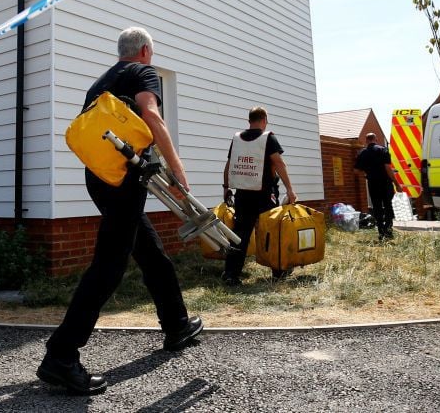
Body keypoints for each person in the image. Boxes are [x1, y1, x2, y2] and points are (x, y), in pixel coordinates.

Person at [38, 27, 203, 395]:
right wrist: (178, 171)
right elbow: (152, 116)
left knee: (149, 250)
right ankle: (61, 356)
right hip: (125, 179)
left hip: (99, 178)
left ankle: (176, 323)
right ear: (145, 51)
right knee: (109, 266)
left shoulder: (100, 83)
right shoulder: (142, 73)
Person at [221, 107, 298, 285]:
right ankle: (278, 272)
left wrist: (226, 188)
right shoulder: (268, 137)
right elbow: (278, 163)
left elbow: (229, 165)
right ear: (264, 119)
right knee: (272, 232)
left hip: (242, 195)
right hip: (265, 195)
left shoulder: (237, 139)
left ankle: (231, 275)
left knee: (239, 235)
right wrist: (290, 189)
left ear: (250, 120)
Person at [355, 132, 400, 240]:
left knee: (377, 207)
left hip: (372, 183)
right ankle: (388, 231)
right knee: (388, 206)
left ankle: (381, 232)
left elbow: (356, 170)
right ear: (376, 139)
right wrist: (396, 183)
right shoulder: (383, 149)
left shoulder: (362, 153)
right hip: (385, 183)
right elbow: (387, 168)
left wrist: (367, 173)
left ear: (366, 140)